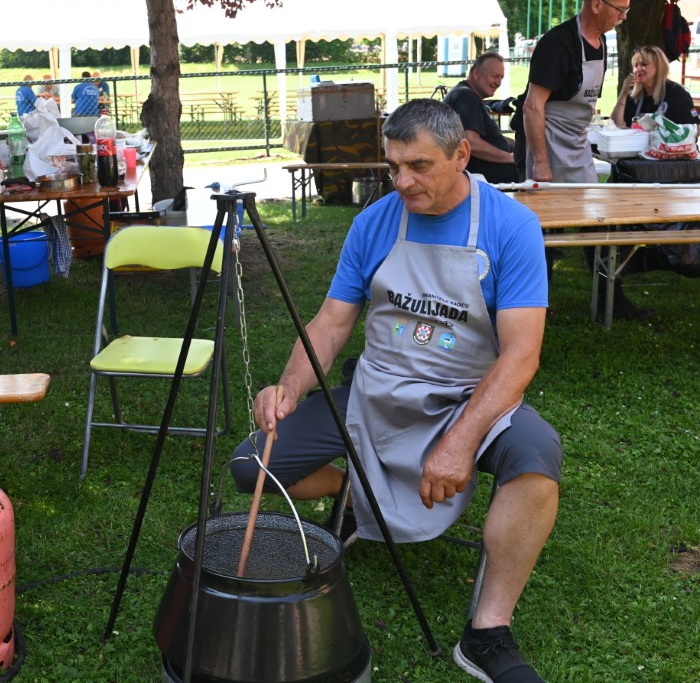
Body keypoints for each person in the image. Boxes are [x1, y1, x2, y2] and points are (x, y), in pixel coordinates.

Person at [231, 99, 560, 683]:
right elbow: (332, 323)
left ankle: (487, 632)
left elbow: (520, 355)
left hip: (466, 395)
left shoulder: (511, 226)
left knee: (536, 458)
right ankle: (354, 498)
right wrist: (289, 386)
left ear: (462, 155)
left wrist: (461, 441)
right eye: (393, 166)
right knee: (252, 465)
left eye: (419, 166)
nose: (402, 182)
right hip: (376, 390)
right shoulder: (374, 223)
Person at [517, 0, 649, 319]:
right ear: (597, 5)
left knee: (595, 219)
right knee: (541, 228)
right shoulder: (557, 43)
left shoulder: (602, 42)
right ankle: (534, 306)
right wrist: (541, 164)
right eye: (620, 10)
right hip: (545, 140)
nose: (624, 17)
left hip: (576, 141)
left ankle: (609, 298)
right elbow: (532, 106)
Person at [445, 51, 519, 184]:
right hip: (489, 186)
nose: (499, 83)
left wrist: (515, 143)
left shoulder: (468, 95)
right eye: (495, 76)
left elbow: (486, 138)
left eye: (501, 78)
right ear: (476, 74)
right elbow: (471, 143)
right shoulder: (465, 96)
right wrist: (510, 157)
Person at [610, 45, 699, 128]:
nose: (638, 69)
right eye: (635, 65)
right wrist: (623, 94)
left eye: (644, 64)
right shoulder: (634, 96)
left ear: (659, 66)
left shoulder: (677, 93)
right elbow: (615, 127)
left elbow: (695, 129)